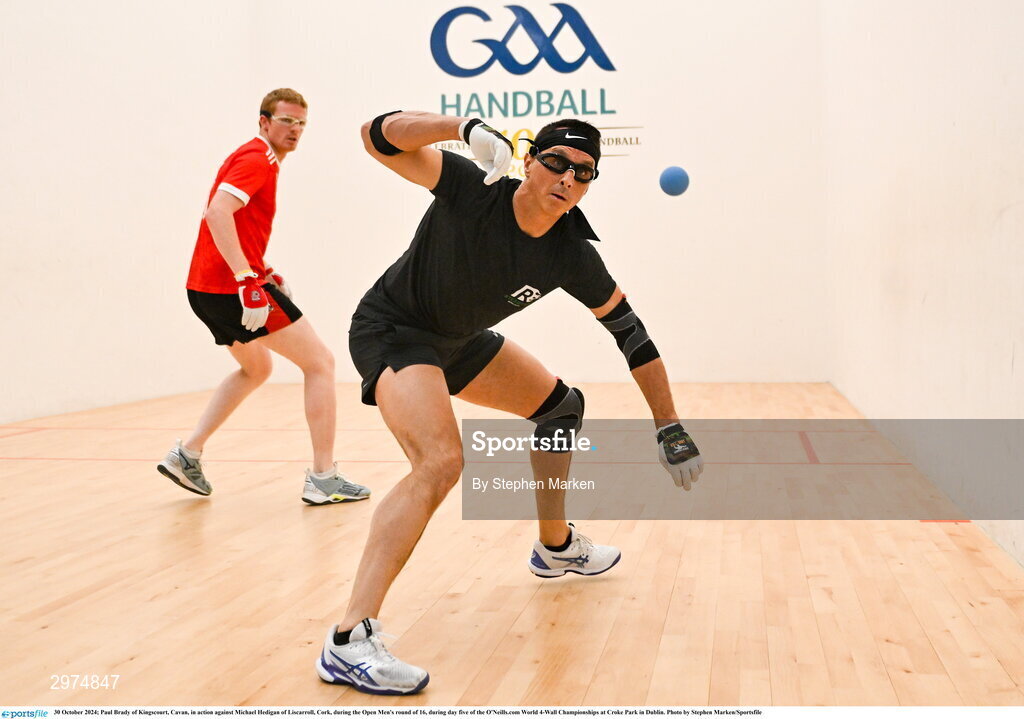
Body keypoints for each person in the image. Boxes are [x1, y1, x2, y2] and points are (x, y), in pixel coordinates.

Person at [315, 111, 704, 695]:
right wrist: (460, 126)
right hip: (394, 330)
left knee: (561, 408)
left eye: (584, 172)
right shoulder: (475, 187)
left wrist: (668, 424)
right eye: (556, 163)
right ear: (529, 162)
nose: (568, 178)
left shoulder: (573, 253)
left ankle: (555, 549)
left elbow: (633, 335)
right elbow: (373, 137)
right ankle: (349, 639)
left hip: (459, 342)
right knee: (441, 462)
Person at [157, 88, 370, 506]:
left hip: (204, 288)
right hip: (228, 288)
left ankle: (188, 453)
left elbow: (236, 222)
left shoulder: (251, 157)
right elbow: (217, 213)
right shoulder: (258, 160)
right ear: (264, 122)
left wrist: (261, 269)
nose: (295, 130)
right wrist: (246, 280)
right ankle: (324, 477)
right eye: (287, 120)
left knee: (256, 369)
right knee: (321, 363)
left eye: (301, 123)